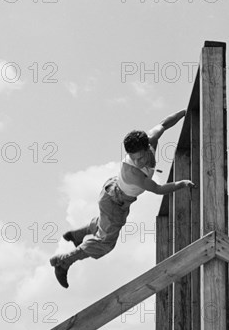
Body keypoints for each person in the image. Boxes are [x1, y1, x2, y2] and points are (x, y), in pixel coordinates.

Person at [50, 109, 195, 288]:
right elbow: (157, 189)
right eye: (135, 159)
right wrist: (181, 184)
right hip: (115, 201)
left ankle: (78, 234)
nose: (139, 162)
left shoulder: (151, 138)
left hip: (113, 193)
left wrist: (184, 113)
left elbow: (164, 124)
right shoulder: (133, 172)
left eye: (141, 157)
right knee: (106, 243)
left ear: (147, 146)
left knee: (107, 224)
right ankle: (63, 262)